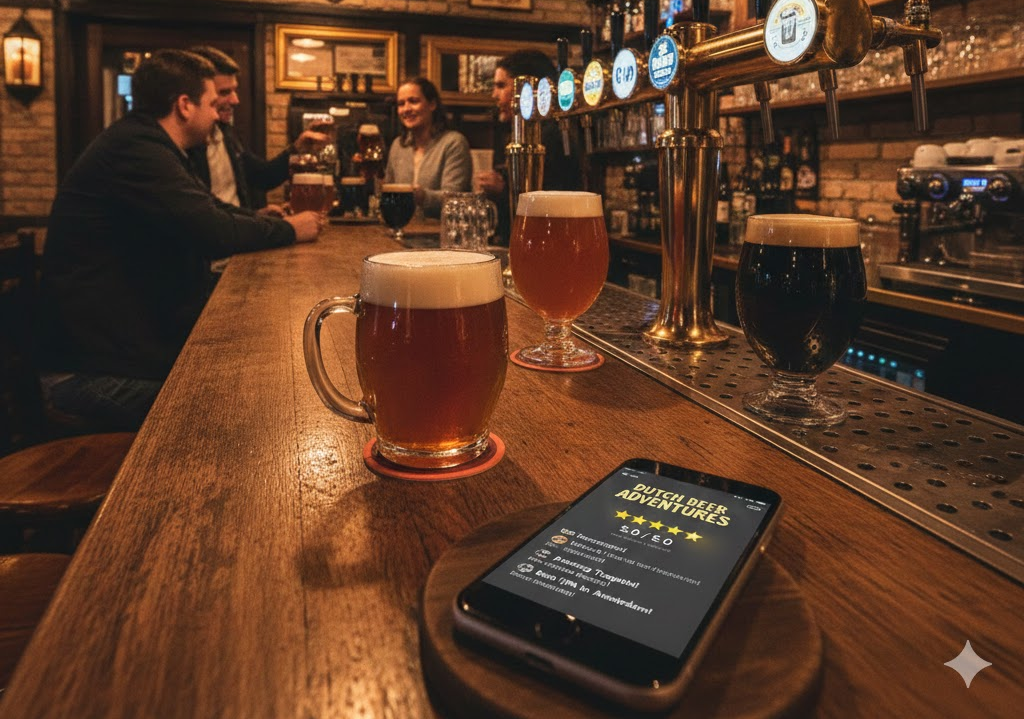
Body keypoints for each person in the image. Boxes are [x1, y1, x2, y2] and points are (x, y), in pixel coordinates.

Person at [37, 49, 322, 433]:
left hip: (120, 355)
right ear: (185, 106)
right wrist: (292, 230)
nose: (215, 113)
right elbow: (213, 231)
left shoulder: (151, 145)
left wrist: (256, 219)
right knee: (248, 410)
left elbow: (210, 209)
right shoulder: (137, 150)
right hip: (89, 376)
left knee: (253, 372)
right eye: (210, 103)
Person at [187, 45, 330, 215]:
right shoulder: (184, 144)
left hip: (239, 233)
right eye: (224, 92)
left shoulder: (225, 133)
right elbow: (201, 215)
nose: (235, 100)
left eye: (235, 90)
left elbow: (263, 176)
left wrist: (297, 148)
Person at [476, 50, 583, 245]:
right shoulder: (515, 134)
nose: (494, 95)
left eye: (501, 86)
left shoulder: (551, 136)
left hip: (551, 245)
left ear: (526, 89)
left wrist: (502, 188)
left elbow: (550, 204)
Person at [382, 77, 472, 218]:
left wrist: (423, 196)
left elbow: (455, 199)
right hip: (403, 231)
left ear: (432, 104)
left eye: (413, 101)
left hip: (441, 234)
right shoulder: (398, 146)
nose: (406, 109)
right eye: (401, 104)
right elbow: (388, 192)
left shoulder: (453, 142)